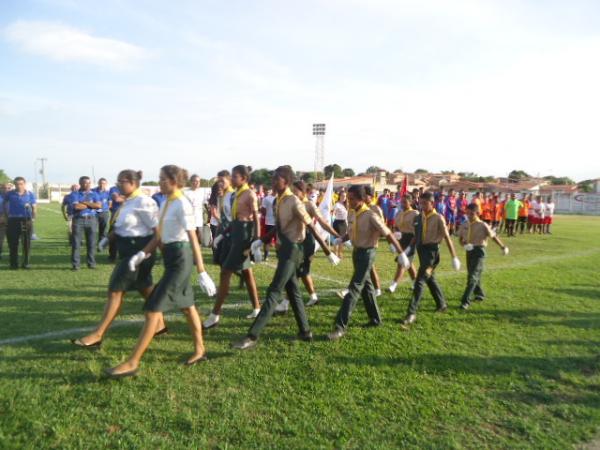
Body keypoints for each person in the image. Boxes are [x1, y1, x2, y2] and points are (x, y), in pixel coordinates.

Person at [104, 165, 217, 378]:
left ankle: (132, 362)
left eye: (163, 179)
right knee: (187, 307)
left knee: (152, 310)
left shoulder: (182, 204)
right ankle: (200, 350)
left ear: (174, 181)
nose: (160, 182)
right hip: (171, 258)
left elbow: (193, 238)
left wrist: (201, 270)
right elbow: (159, 237)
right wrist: (142, 255)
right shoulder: (166, 202)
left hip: (180, 260)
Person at [232, 167, 340, 350]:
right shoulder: (278, 201)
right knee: (293, 292)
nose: (273, 182)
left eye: (276, 179)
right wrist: (261, 241)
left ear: (286, 182)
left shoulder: (294, 202)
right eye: (273, 178)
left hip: (294, 250)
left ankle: (252, 336)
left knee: (274, 291)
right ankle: (305, 332)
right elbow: (278, 227)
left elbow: (311, 227)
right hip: (284, 249)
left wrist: (328, 251)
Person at [71, 170, 166, 348]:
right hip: (127, 250)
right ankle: (159, 324)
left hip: (138, 253)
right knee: (145, 287)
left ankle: (98, 334)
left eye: (121, 181)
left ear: (132, 182)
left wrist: (156, 256)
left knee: (115, 292)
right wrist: (109, 238)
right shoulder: (128, 201)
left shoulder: (144, 202)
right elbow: (124, 225)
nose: (118, 184)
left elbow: (158, 233)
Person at [327, 185, 409, 341]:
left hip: (367, 253)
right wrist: (341, 239)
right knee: (367, 288)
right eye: (347, 198)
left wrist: (401, 253)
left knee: (354, 287)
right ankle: (375, 319)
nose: (348, 202)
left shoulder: (371, 215)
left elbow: (387, 233)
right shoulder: (352, 213)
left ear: (361, 199)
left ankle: (340, 326)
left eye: (352, 199)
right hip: (357, 253)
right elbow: (351, 232)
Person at [203, 165, 262, 329]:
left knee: (225, 272)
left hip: (242, 237)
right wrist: (223, 234)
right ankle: (257, 308)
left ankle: (215, 314)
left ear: (243, 178)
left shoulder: (248, 194)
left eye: (235, 177)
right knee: (246, 273)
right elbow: (233, 219)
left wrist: (256, 241)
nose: (221, 184)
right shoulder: (236, 194)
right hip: (234, 234)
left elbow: (255, 218)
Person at [276, 180, 341, 313]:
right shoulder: (291, 202)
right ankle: (313, 296)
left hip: (307, 241)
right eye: (292, 191)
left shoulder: (309, 205)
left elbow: (323, 223)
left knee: (296, 271)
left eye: (296, 191)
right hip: (294, 241)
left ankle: (285, 303)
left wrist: (337, 235)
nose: (293, 194)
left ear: (303, 192)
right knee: (302, 271)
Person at [401, 192, 460, 328]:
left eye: (425, 203)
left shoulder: (439, 218)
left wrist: (454, 256)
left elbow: (447, 237)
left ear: (432, 203)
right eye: (420, 203)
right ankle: (442, 304)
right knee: (430, 279)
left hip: (432, 254)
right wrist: (407, 250)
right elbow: (416, 236)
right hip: (421, 250)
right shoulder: (418, 217)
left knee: (420, 281)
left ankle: (411, 312)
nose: (422, 206)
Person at [458, 203, 509, 310]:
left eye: (471, 214)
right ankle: (480, 294)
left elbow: (493, 236)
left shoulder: (483, 225)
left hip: (479, 252)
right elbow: (460, 239)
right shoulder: (464, 224)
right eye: (467, 213)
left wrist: (503, 246)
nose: (469, 215)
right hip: (469, 251)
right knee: (474, 274)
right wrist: (464, 245)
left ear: (477, 213)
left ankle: (465, 301)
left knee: (472, 277)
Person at [4, 177, 36, 269]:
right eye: (17, 184)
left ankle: (26, 263)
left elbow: (34, 207)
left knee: (26, 243)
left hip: (26, 220)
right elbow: (5, 204)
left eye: (21, 184)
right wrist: (6, 216)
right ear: (14, 184)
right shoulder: (10, 194)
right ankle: (13, 264)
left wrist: (33, 218)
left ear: (24, 184)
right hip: (13, 220)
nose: (19, 186)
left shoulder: (30, 194)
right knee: (13, 243)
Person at [388, 194, 418, 293]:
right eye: (402, 202)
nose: (403, 204)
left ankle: (393, 285)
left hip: (411, 239)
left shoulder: (415, 213)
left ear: (411, 202)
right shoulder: (399, 213)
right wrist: (396, 234)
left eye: (405, 202)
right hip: (401, 239)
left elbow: (418, 230)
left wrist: (411, 246)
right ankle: (416, 283)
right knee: (408, 263)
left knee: (402, 262)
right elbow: (396, 226)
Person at [71, 176, 101, 270]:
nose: (86, 184)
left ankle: (91, 263)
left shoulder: (95, 194)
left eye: (88, 183)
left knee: (91, 243)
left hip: (92, 220)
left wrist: (84, 202)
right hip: (78, 220)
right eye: (84, 183)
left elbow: (99, 206)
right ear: (80, 183)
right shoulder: (75, 194)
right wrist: (91, 205)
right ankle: (76, 265)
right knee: (76, 243)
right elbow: (77, 207)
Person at [184, 174, 206, 244]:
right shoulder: (185, 192)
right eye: (195, 181)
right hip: (188, 220)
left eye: (198, 181)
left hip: (199, 220)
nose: (196, 183)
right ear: (191, 182)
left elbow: (206, 205)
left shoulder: (202, 192)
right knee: (189, 240)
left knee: (198, 240)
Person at [108, 183, 124, 262]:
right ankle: (112, 256)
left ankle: (123, 255)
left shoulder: (129, 189)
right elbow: (117, 199)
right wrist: (127, 198)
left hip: (127, 214)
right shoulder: (113, 188)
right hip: (116, 214)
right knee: (112, 235)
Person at [260, 187, 276, 261]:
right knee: (267, 240)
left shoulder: (282, 197)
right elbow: (263, 210)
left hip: (279, 222)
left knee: (279, 240)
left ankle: (281, 256)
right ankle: (266, 256)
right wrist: (269, 215)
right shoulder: (266, 198)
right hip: (269, 222)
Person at [332, 191, 349, 258]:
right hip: (338, 223)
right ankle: (335, 253)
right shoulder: (337, 204)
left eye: (345, 196)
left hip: (344, 223)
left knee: (342, 240)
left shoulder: (346, 205)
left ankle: (340, 254)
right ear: (339, 196)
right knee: (337, 239)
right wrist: (333, 214)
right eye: (342, 196)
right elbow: (332, 211)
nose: (344, 197)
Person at [0, 183, 7, 260]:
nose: (5, 189)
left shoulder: (10, 196)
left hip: (10, 219)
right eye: (3, 188)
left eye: (6, 188)